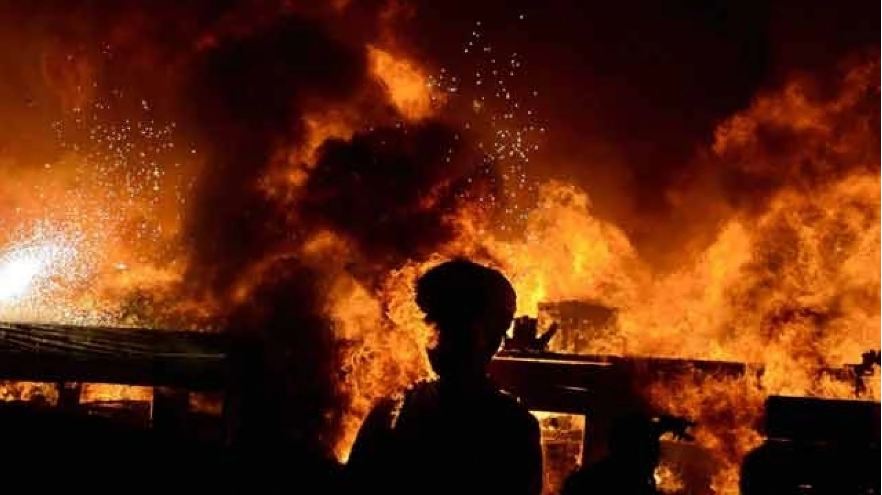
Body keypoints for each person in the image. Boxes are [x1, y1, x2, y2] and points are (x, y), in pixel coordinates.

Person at [346, 259, 543, 495]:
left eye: (454, 326)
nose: (438, 338)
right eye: (433, 322)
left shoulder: (512, 429)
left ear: (492, 339)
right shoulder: (391, 415)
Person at [562, 413, 694, 495]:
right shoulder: (633, 487)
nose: (657, 458)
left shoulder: (583, 482)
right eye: (651, 448)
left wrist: (661, 427)